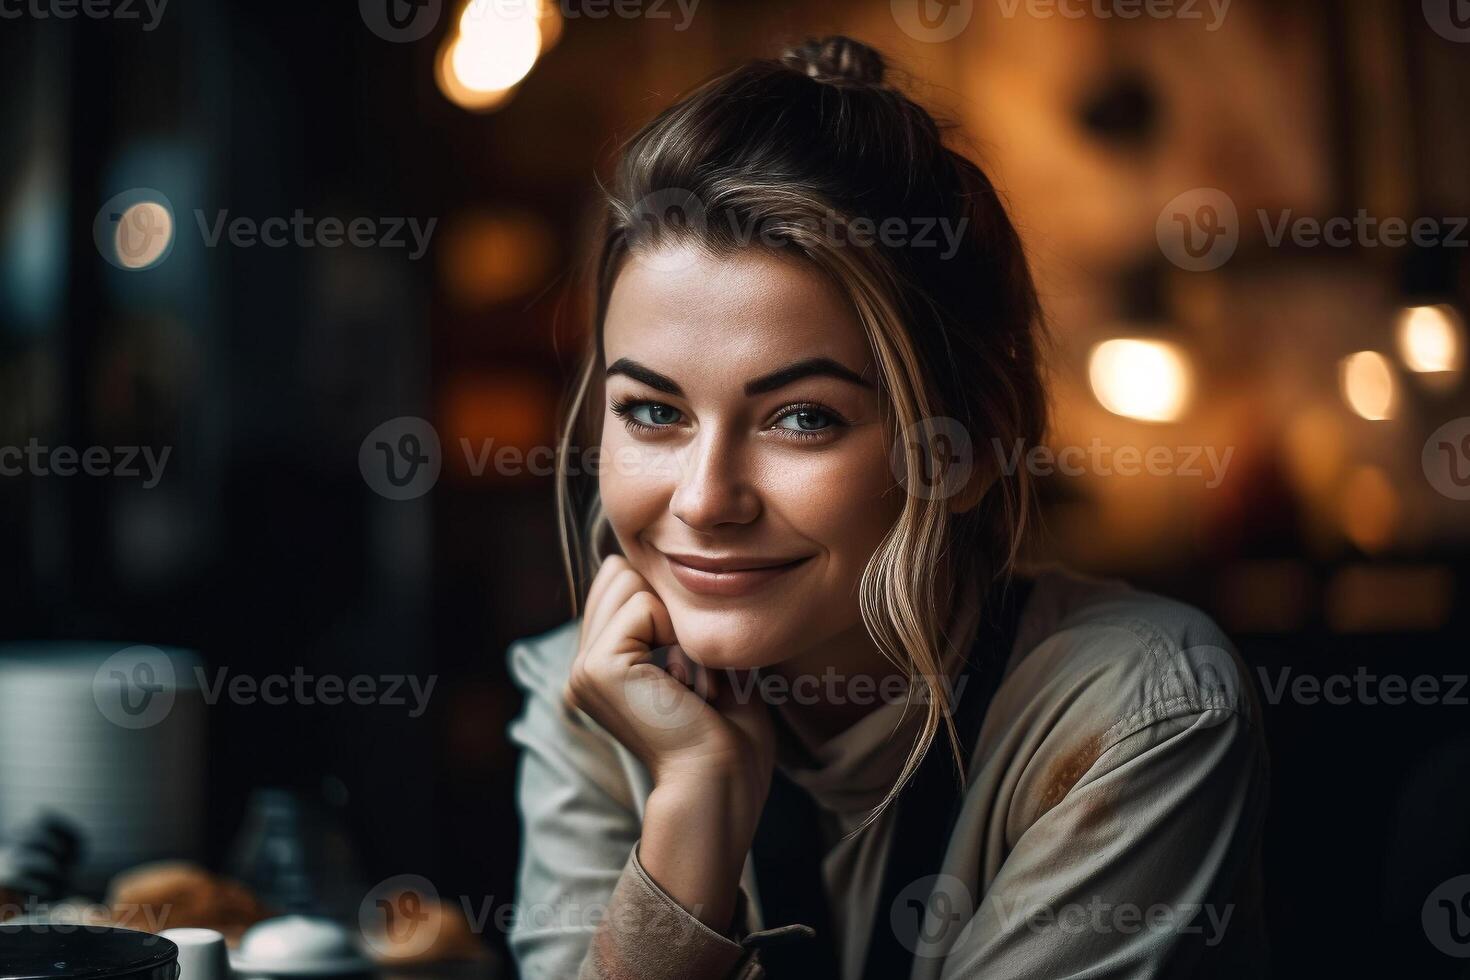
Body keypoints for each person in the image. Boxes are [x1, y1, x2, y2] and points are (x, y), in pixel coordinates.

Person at [505, 35, 1268, 980]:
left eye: (802, 419)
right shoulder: (588, 702)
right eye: (653, 411)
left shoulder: (1138, 714)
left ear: (973, 447)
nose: (704, 501)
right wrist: (694, 808)